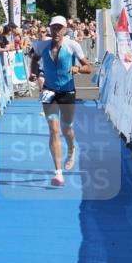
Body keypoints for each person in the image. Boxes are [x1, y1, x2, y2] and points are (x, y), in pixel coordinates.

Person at [29, 15, 91, 187]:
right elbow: (34, 59)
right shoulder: (41, 45)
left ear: (65, 30)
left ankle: (71, 149)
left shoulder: (72, 45)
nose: (56, 31)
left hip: (67, 92)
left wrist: (78, 68)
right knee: (54, 130)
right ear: (50, 29)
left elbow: (88, 67)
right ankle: (58, 173)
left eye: (59, 28)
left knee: (67, 128)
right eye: (53, 27)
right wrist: (33, 73)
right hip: (49, 91)